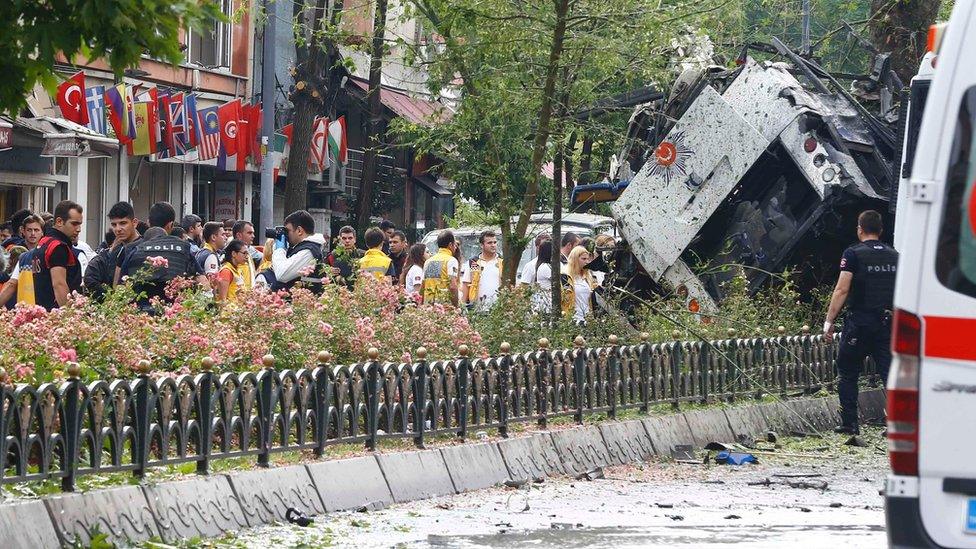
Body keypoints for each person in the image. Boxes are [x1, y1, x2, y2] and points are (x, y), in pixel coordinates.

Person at [823, 210, 898, 435]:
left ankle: (850, 423)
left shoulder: (853, 254)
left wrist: (829, 321)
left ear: (859, 229)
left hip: (860, 323)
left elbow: (842, 289)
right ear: (881, 230)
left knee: (848, 371)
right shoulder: (895, 255)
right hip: (887, 323)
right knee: (890, 374)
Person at [118, 202, 210, 311]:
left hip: (141, 316)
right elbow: (204, 284)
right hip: (175, 316)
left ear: (148, 223)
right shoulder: (183, 248)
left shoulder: (133, 249)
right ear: (171, 225)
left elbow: (120, 289)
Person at [32, 201, 84, 310]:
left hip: (42, 311)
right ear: (59, 221)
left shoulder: (43, 242)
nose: (78, 229)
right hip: (56, 314)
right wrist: (70, 316)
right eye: (74, 224)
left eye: (80, 224)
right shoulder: (58, 247)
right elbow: (59, 284)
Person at [270, 210, 326, 291]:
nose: (286, 235)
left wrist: (279, 249)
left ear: (299, 230)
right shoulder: (302, 248)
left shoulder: (308, 251)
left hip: (304, 302)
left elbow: (282, 274)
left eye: (287, 231)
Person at [0, 214, 44, 307]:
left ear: (42, 232)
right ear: (23, 231)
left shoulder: (45, 251)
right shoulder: (14, 250)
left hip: (39, 299)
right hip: (14, 299)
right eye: (29, 230)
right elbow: (4, 275)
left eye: (36, 230)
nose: (33, 233)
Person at [461, 230, 503, 310]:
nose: (493, 245)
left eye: (495, 242)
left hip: (498, 311)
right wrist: (463, 307)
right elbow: (466, 285)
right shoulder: (474, 262)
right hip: (477, 310)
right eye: (489, 243)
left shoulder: (502, 262)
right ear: (481, 245)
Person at [560, 245, 598, 324]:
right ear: (575, 260)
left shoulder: (590, 276)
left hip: (588, 320)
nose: (587, 262)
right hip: (572, 320)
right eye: (583, 259)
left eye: (588, 259)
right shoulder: (564, 276)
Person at [422, 230, 460, 306]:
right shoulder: (451, 260)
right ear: (450, 245)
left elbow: (423, 285)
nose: (455, 247)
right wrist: (456, 306)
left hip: (428, 306)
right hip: (444, 307)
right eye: (455, 245)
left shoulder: (428, 261)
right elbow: (453, 286)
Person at [531, 240, 554, 313]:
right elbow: (558, 280)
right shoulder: (545, 267)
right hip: (546, 306)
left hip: (547, 305)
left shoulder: (545, 266)